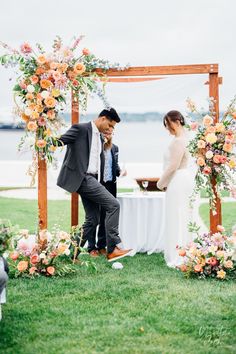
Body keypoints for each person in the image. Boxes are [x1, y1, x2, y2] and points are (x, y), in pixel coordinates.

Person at [57, 108, 131, 262]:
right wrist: (42, 141)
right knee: (113, 205)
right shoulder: (80, 128)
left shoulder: (99, 136)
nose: (110, 129)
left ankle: (72, 254)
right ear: (103, 118)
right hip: (83, 178)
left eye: (112, 128)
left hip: (93, 180)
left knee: (92, 220)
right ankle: (113, 248)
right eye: (110, 125)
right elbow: (60, 141)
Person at [156, 110, 195, 268]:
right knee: (182, 214)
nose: (167, 128)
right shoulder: (187, 138)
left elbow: (173, 166)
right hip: (183, 179)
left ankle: (179, 253)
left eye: (168, 124)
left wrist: (160, 183)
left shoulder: (179, 141)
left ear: (177, 121)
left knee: (176, 215)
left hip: (178, 179)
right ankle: (184, 248)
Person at [88, 131, 127, 256]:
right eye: (105, 133)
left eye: (110, 134)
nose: (107, 136)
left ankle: (101, 245)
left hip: (110, 185)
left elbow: (114, 167)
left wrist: (121, 172)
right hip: (97, 185)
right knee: (94, 216)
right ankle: (91, 247)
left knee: (106, 217)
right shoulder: (95, 149)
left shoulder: (115, 148)